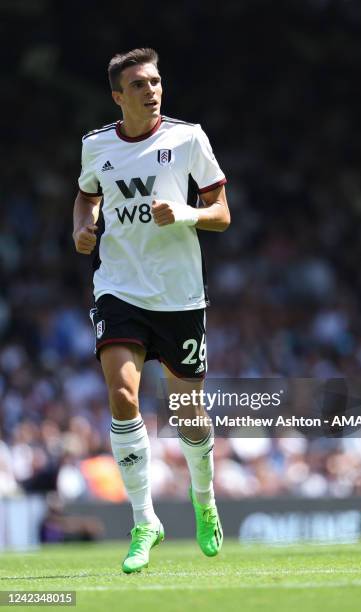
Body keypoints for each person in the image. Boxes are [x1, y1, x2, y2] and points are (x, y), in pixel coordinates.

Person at [72, 47, 230, 573]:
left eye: (155, 81)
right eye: (138, 84)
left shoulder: (189, 137)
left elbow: (222, 213)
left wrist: (184, 213)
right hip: (118, 286)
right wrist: (82, 225)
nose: (151, 90)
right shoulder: (96, 146)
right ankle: (145, 521)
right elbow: (86, 196)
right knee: (121, 395)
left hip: (179, 294)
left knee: (187, 413)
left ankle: (203, 501)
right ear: (119, 95)